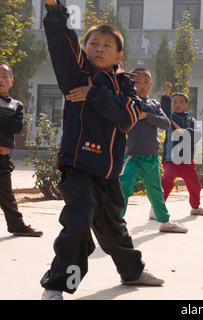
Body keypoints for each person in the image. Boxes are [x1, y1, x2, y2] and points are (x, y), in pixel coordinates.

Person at [41, 0, 163, 300]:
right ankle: (57, 285)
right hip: (78, 166)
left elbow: (129, 116)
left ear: (119, 54)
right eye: (93, 43)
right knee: (78, 221)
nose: (99, 48)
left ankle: (132, 272)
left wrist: (94, 95)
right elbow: (61, 43)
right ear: (85, 48)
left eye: (106, 45)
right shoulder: (76, 75)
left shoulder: (126, 85)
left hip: (107, 171)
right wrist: (56, 10)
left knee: (114, 230)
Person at [119, 68, 187, 233]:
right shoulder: (127, 102)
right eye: (136, 82)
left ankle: (164, 221)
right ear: (130, 84)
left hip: (151, 158)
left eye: (145, 82)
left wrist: (146, 116)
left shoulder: (154, 105)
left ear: (150, 85)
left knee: (156, 192)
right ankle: (116, 222)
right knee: (124, 186)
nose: (141, 86)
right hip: (132, 157)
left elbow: (165, 123)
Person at [0, 63, 43, 237]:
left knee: (7, 196)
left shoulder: (16, 105)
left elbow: (17, 127)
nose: (1, 79)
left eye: (4, 76)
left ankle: (17, 226)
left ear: (12, 81)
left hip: (3, 160)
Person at [160, 86, 203, 216]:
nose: (177, 104)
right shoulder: (169, 117)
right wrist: (166, 95)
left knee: (195, 186)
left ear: (186, 104)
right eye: (174, 102)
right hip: (171, 159)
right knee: (167, 181)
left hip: (187, 160)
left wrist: (183, 132)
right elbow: (164, 109)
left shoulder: (192, 121)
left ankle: (195, 207)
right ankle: (157, 208)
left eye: (181, 102)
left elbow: (198, 135)